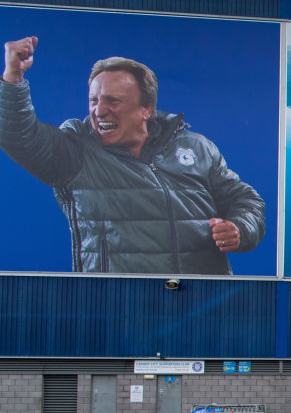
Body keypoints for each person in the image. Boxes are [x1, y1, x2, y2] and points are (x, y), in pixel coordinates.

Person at [0, 36, 265, 274]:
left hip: (199, 301)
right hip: (118, 302)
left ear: (146, 108)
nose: (99, 111)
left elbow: (246, 201)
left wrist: (240, 229)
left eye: (113, 100)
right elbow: (21, 137)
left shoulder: (197, 148)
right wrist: (13, 78)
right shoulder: (76, 150)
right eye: (94, 100)